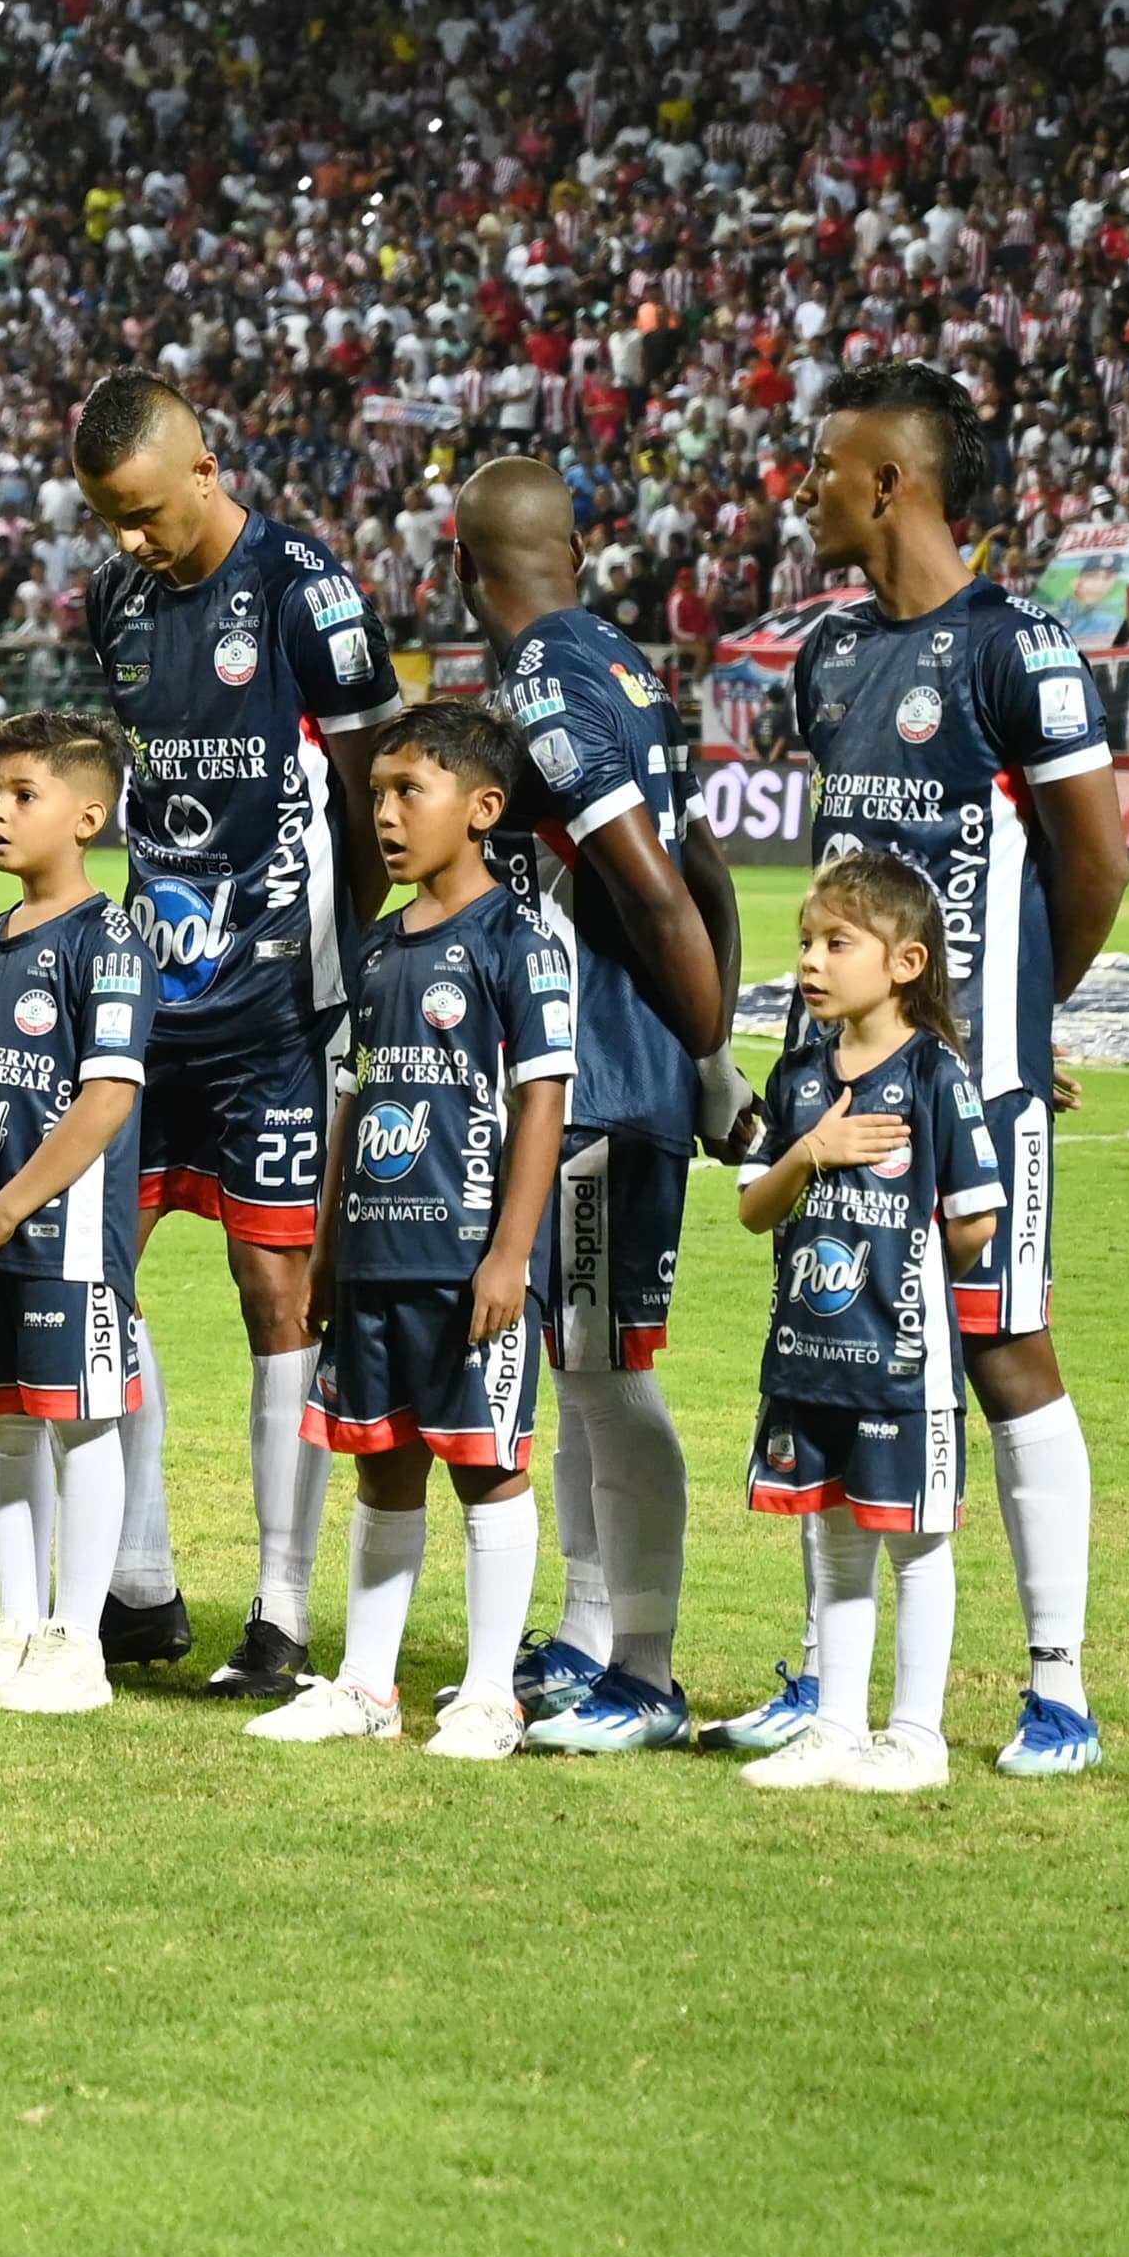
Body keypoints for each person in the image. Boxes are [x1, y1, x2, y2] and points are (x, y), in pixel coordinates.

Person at [741, 361, 1128, 1780]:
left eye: (830, 466)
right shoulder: (828, 654)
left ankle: (1057, 1685)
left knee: (1003, 1344)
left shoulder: (1018, 646)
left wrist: (1018, 1020)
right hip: (839, 1085)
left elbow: (1097, 864)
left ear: (892, 482)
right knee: (836, 1342)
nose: (810, 486)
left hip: (976, 1088)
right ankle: (827, 1678)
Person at [70, 367, 404, 1696]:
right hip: (153, 1001)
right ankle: (139, 1584)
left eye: (146, 511)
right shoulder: (119, 600)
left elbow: (380, 789)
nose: (132, 542)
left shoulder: (305, 592)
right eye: (111, 519)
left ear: (204, 466)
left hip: (280, 1009)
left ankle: (279, 1612)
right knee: (96, 1269)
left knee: (279, 1293)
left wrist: (343, 964)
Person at [448, 454, 741, 1756]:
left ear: (465, 572)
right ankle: (584, 1631)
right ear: (577, 546)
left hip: (611, 1077)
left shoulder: (546, 679)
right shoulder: (624, 661)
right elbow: (707, 865)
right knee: (577, 1369)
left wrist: (706, 1055)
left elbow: (654, 887)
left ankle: (652, 1666)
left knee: (613, 1376)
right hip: (609, 1070)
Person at [246, 702, 572, 1761]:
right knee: (379, 1465)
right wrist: (326, 1250)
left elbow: (539, 1104)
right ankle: (363, 1685)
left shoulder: (517, 943)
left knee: (483, 1464)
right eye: (372, 792)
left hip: (465, 1256)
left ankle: (487, 1694)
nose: (380, 813)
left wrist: (510, 1253)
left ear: (482, 809)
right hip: (374, 1257)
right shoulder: (380, 948)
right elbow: (354, 1100)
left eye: (406, 792)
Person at [727, 854, 1004, 1796]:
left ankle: (916, 1734)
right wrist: (812, 1150)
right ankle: (837, 1726)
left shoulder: (935, 1073)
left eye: (836, 942)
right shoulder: (799, 1075)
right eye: (805, 941)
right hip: (808, 1360)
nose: (811, 959)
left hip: (902, 1364)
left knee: (915, 1544)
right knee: (835, 1541)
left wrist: (908, 1286)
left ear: (906, 961)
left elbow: (974, 1217)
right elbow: (753, 1207)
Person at [0, 711, 151, 1718]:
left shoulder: (109, 940)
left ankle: (76, 1641)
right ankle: (12, 1625)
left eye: (22, 795)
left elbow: (104, 1097)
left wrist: (5, 1211)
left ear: (86, 816)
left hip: (62, 1240)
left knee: (78, 1427)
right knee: (4, 1428)